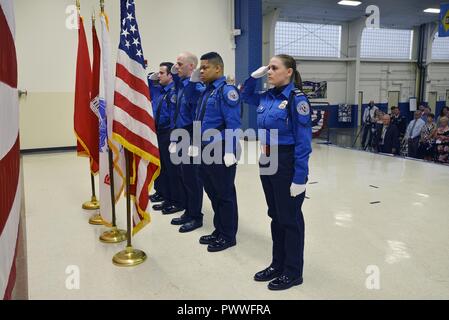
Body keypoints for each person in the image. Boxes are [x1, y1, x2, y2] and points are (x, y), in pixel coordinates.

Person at [241, 54, 312, 291]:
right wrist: (253, 77)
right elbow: (244, 95)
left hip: (286, 160)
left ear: (289, 72)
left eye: (274, 68)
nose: (269, 71)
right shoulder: (267, 96)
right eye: (267, 68)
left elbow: (304, 142)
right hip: (267, 156)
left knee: (290, 218)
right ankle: (277, 263)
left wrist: (300, 177)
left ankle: (293, 272)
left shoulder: (296, 99)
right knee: (275, 215)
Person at [189, 52, 241, 252]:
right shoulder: (205, 91)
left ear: (218, 69)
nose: (201, 71)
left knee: (224, 194)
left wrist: (229, 151)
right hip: (204, 149)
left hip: (220, 150)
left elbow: (233, 123)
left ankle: (228, 235)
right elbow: (197, 116)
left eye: (205, 68)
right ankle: (219, 230)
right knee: (212, 192)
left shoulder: (227, 92)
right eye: (200, 68)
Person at [169, 52, 205, 233]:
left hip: (191, 134)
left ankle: (196, 216)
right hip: (181, 133)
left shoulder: (196, 88)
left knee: (193, 179)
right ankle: (189, 211)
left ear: (191, 67)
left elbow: (197, 114)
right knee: (183, 176)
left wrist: (193, 142)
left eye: (180, 63)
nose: (176, 66)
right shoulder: (183, 85)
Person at [148, 62, 185, 215]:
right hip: (158, 131)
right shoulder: (160, 91)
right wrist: (151, 78)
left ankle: (174, 199)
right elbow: (148, 91)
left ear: (171, 75)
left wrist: (173, 137)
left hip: (168, 133)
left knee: (171, 169)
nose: (159, 75)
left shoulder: (173, 93)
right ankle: (162, 193)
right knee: (161, 165)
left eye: (162, 73)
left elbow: (173, 116)